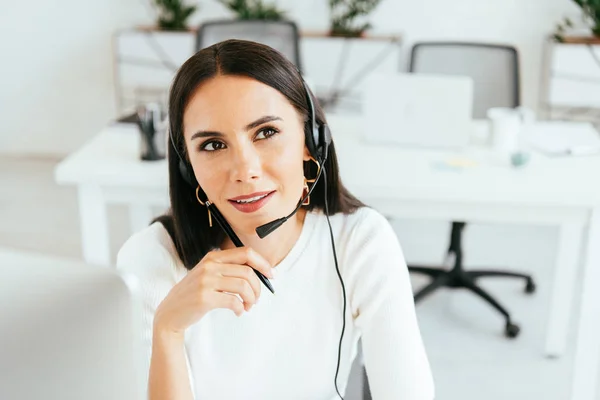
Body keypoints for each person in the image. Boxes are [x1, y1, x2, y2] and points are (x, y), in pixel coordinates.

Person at [116, 39, 435, 400]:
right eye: (213, 145)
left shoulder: (360, 241)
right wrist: (168, 328)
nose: (245, 170)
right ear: (189, 169)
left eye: (266, 132)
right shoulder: (149, 260)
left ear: (309, 141)